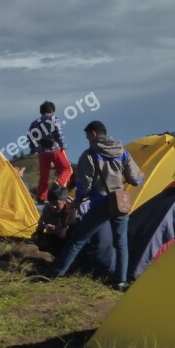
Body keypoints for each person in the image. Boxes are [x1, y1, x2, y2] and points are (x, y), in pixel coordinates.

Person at [52, 121, 143, 291]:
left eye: (88, 137)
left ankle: (58, 272)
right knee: (121, 243)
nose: (88, 140)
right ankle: (120, 281)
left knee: (78, 239)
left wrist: (79, 201)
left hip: (100, 203)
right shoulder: (123, 152)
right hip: (120, 203)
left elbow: (84, 185)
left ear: (94, 134)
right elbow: (135, 179)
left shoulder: (89, 155)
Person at [27, 101, 72, 203]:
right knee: (67, 170)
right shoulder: (54, 119)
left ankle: (41, 197)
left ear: (41, 111)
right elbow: (59, 134)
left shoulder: (34, 123)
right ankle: (58, 185)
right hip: (56, 149)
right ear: (52, 110)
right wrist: (63, 146)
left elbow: (30, 138)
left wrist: (36, 149)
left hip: (42, 153)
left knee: (44, 176)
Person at [34, 184, 77, 255]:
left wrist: (57, 230)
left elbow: (71, 232)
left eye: (56, 204)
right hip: (54, 235)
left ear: (64, 201)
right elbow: (40, 224)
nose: (53, 206)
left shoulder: (72, 210)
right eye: (51, 203)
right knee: (36, 237)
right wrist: (42, 227)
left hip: (69, 240)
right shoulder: (47, 208)